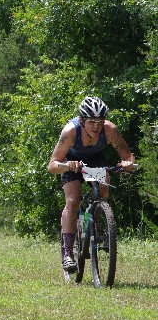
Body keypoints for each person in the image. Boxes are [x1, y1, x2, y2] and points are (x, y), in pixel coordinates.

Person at [47, 96, 135, 272]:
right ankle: (67, 253)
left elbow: (128, 156)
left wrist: (127, 164)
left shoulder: (110, 130)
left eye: (100, 121)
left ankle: (96, 228)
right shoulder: (70, 131)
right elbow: (52, 165)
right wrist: (66, 165)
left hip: (96, 160)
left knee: (103, 190)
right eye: (92, 122)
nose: (96, 126)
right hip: (71, 161)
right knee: (72, 201)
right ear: (82, 120)